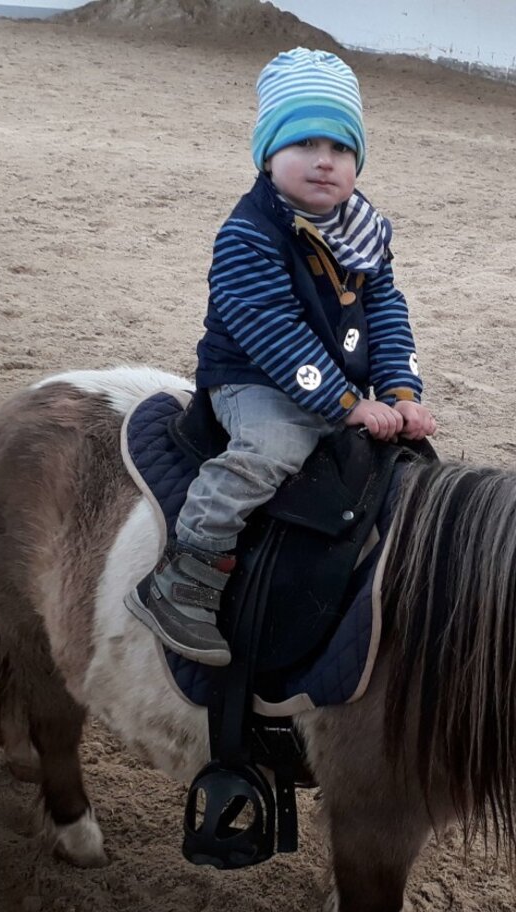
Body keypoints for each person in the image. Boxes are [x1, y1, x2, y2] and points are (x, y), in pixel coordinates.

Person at [127, 47, 436, 666]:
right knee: (272, 448)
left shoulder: (362, 230)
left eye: (341, 149)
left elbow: (386, 312)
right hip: (256, 377)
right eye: (304, 144)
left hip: (330, 379)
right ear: (269, 154)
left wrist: (401, 391)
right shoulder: (249, 233)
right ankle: (185, 571)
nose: (324, 161)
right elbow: (269, 330)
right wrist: (345, 403)